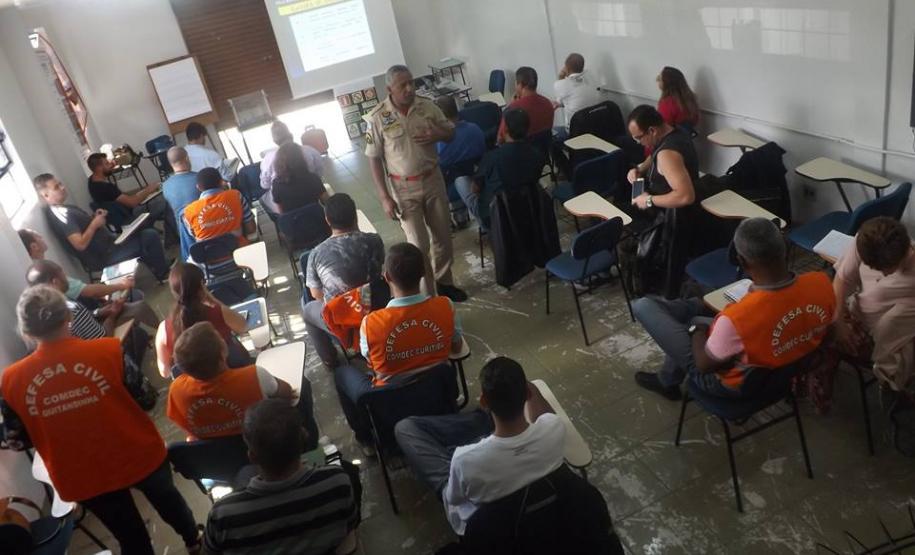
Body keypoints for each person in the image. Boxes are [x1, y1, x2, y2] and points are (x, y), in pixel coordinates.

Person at [0, 285, 202, 555]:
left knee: (129, 536)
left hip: (82, 475)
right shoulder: (108, 350)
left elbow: (16, 441)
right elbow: (147, 399)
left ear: (26, 331)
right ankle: (194, 542)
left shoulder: (11, 381)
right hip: (137, 452)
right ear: (68, 318)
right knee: (170, 504)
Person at [632, 218, 835, 400]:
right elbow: (827, 329)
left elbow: (703, 365)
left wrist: (696, 332)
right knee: (696, 311)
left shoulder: (735, 318)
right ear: (784, 246)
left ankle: (669, 378)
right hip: (785, 369)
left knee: (643, 306)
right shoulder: (822, 282)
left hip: (735, 386)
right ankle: (668, 376)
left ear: (742, 262)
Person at [394, 356, 565, 535]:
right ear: (528, 393)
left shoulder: (463, 460)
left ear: (484, 400)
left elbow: (453, 498)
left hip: (485, 526)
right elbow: (543, 415)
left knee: (405, 428)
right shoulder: (554, 427)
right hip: (532, 516)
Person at [333, 242, 463, 447]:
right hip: (437, 396)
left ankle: (366, 439)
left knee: (341, 373)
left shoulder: (370, 323)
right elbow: (456, 348)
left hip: (391, 406)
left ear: (387, 277)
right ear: (423, 273)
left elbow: (371, 361)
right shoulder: (445, 306)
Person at [203, 399, 360, 554]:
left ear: (252, 456)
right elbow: (350, 523)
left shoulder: (223, 515)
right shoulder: (337, 481)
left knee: (244, 473)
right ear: (303, 439)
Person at [365, 64, 467, 301]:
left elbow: (451, 132)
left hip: (433, 180)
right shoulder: (378, 117)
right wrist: (384, 197)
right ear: (389, 89)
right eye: (403, 85)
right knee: (419, 247)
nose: (409, 88)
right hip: (403, 189)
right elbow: (374, 159)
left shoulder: (427, 106)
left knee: (443, 237)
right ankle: (428, 296)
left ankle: (444, 282)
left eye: (411, 82)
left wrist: (438, 135)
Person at [167, 321, 318, 444]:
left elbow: (186, 427)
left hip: (223, 456)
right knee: (303, 385)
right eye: (219, 338)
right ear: (222, 353)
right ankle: (310, 441)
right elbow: (287, 392)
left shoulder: (176, 390)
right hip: (266, 444)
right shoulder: (252, 375)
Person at [303, 193, 385, 368]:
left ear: (327, 220)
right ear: (355, 215)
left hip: (342, 319)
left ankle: (330, 360)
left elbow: (316, 294)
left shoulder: (316, 253)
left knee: (308, 310)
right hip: (376, 308)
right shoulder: (374, 241)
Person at [37, 173, 171, 280]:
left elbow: (83, 229)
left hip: (110, 244)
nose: (62, 187)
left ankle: (158, 266)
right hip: (104, 256)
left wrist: (95, 218)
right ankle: (163, 272)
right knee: (149, 235)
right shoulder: (61, 215)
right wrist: (94, 224)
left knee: (141, 230)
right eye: (56, 187)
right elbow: (79, 244)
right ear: (46, 195)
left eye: (60, 184)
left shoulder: (64, 208)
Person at [833, 217, 915, 391]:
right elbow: (842, 279)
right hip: (853, 313)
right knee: (812, 329)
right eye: (874, 269)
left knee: (818, 346)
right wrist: (838, 321)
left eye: (886, 269)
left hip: (880, 337)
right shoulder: (866, 241)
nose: (883, 275)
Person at [156, 262, 251, 378]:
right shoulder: (218, 313)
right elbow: (244, 326)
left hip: (195, 386)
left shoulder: (164, 329)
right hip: (231, 376)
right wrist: (213, 301)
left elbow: (165, 372)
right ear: (202, 286)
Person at [454, 108, 545, 229]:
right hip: (527, 210)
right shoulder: (537, 155)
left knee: (460, 181)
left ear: (505, 129)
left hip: (496, 217)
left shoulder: (492, 157)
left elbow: (475, 189)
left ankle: (483, 226)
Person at [25, 259, 158, 336]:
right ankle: (166, 338)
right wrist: (112, 314)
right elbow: (102, 336)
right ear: (55, 282)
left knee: (132, 307)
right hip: (97, 345)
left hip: (88, 335)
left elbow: (84, 319)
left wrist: (101, 311)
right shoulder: (69, 308)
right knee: (139, 308)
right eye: (63, 274)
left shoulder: (41, 309)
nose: (66, 277)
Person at [19, 228, 136, 303]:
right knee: (135, 295)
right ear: (34, 246)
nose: (42, 237)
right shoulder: (47, 272)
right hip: (88, 315)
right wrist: (121, 285)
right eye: (38, 237)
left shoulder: (37, 272)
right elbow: (89, 291)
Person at [85, 152, 175, 240]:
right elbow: (132, 203)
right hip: (130, 214)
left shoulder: (92, 182)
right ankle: (169, 239)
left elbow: (123, 198)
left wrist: (142, 193)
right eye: (107, 164)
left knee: (158, 201)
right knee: (165, 201)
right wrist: (148, 190)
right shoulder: (105, 187)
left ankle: (161, 234)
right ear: (99, 168)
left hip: (122, 212)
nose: (110, 165)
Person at [627, 105, 698, 212]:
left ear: (652, 131)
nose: (638, 142)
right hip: (656, 198)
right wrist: (640, 170)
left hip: (665, 212)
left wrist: (648, 200)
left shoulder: (666, 155)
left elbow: (686, 196)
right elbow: (654, 154)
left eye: (638, 138)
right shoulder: (676, 131)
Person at [182, 166, 256, 248]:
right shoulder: (236, 195)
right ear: (221, 182)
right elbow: (251, 229)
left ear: (198, 187)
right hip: (239, 250)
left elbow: (195, 237)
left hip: (208, 254)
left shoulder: (188, 211)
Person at [260, 121, 324, 213]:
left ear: (274, 141)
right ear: (291, 135)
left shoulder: (268, 159)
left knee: (265, 198)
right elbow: (319, 173)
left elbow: (265, 185)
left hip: (287, 211)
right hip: (312, 201)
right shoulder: (310, 151)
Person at [160, 146, 200, 261]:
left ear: (170, 163)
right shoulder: (199, 178)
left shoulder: (165, 186)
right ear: (187, 158)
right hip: (206, 228)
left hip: (185, 237)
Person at [498, 66, 554, 144]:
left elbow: (500, 139)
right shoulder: (548, 103)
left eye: (515, 83)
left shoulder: (512, 110)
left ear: (520, 85)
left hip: (521, 150)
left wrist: (511, 105)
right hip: (544, 149)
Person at [270, 141, 328, 213]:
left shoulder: (276, 184)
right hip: (317, 217)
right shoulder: (313, 178)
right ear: (300, 159)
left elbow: (282, 212)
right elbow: (327, 203)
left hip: (293, 220)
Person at [552, 53, 601, 136]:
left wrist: (561, 77)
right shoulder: (591, 79)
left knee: (553, 131)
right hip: (593, 128)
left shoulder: (561, 84)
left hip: (574, 131)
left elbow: (559, 101)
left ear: (566, 68)